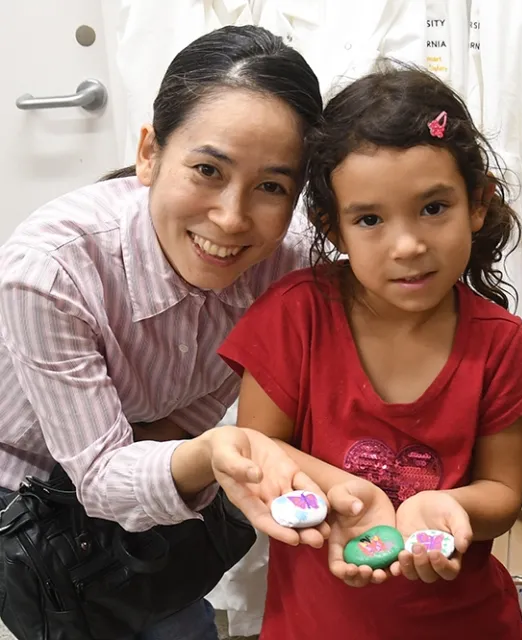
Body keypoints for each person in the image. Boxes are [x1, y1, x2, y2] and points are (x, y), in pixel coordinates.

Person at [0, 25, 330, 640]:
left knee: (176, 614)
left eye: (271, 187)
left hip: (154, 463)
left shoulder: (287, 264)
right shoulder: (50, 271)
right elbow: (98, 478)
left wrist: (179, 436)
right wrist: (206, 451)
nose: (231, 219)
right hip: (28, 494)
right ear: (150, 153)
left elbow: (223, 375)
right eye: (207, 169)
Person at [218, 62, 522, 640]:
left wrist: (448, 510)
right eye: (369, 219)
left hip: (465, 624)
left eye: (433, 207)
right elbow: (256, 448)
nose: (407, 245)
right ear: (334, 227)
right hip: (315, 625)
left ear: (477, 203)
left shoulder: (500, 343)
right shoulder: (296, 314)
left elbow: (502, 493)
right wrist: (349, 494)